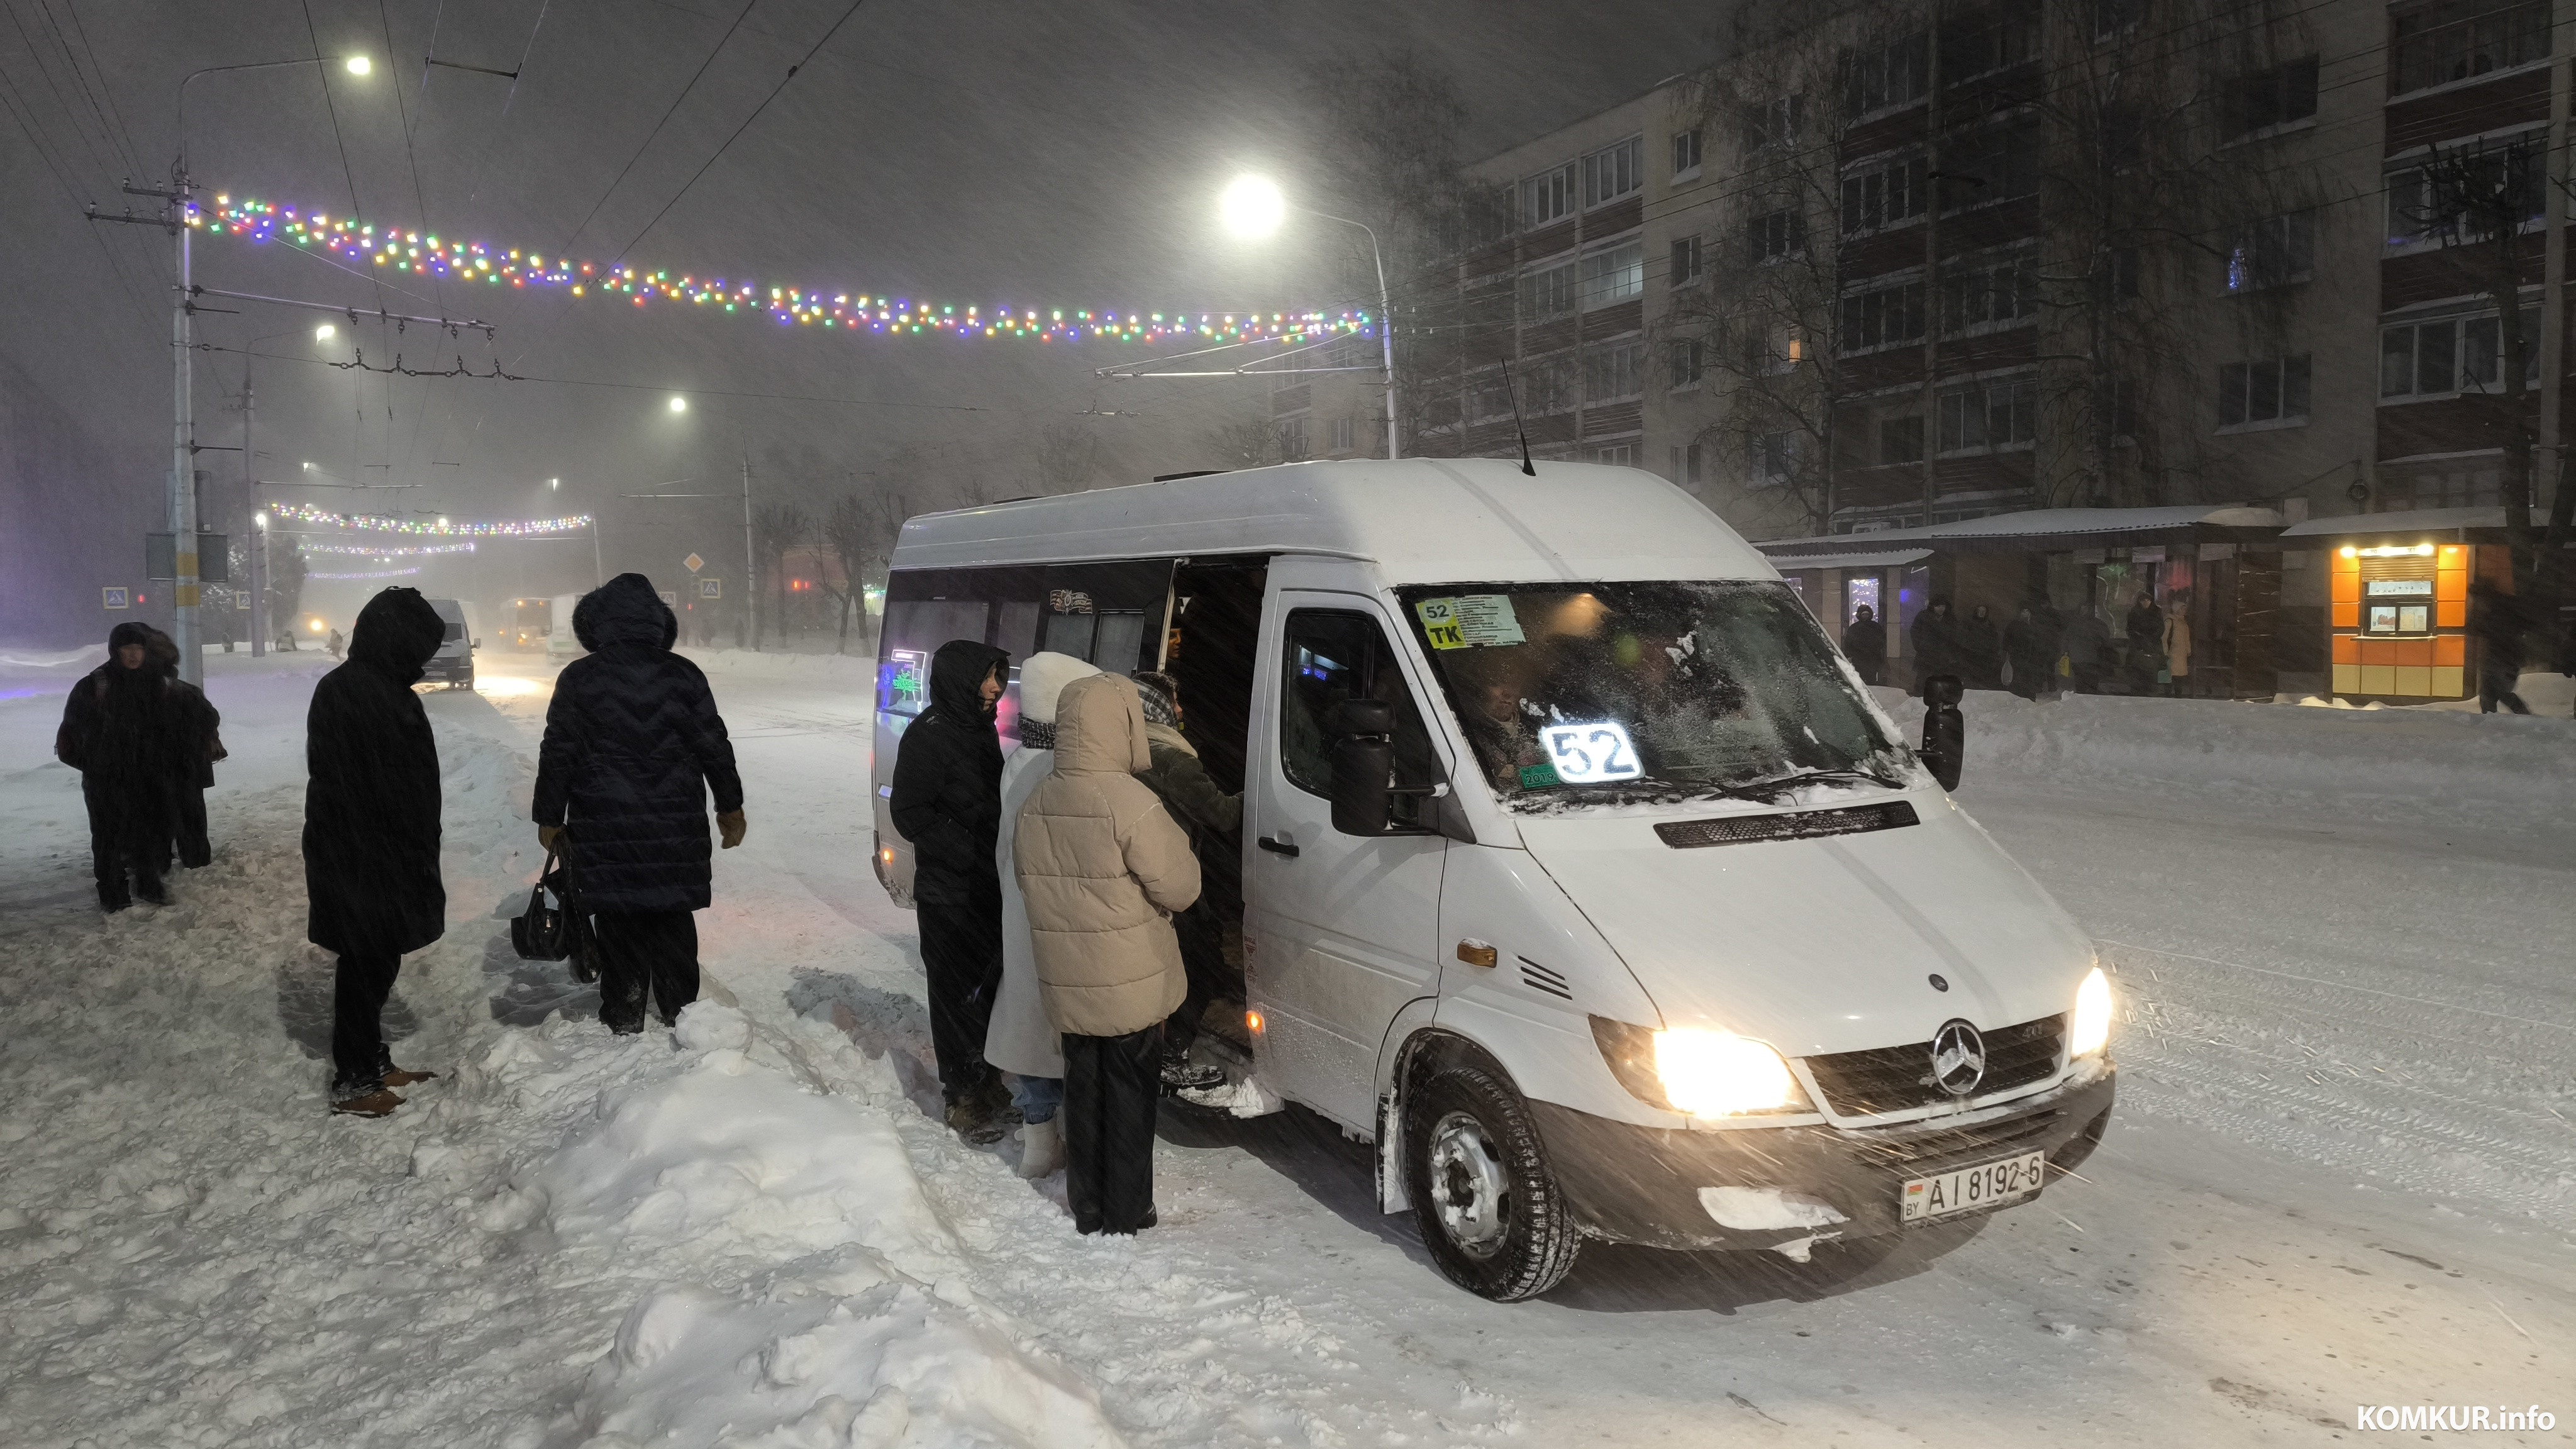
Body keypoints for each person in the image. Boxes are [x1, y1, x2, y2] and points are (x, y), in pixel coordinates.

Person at [1014, 672, 1201, 1235]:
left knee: (1086, 1088)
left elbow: (1029, 881)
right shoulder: (1130, 801)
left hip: (1067, 978)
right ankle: (1127, 1210)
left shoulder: (1039, 797)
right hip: (1127, 979)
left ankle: (1088, 1205)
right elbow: (1182, 888)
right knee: (1128, 1096)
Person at [534, 574, 747, 1035]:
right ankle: (681, 1011)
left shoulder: (580, 679)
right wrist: (730, 806)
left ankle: (625, 1009)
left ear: (597, 625)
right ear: (658, 623)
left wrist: (549, 815)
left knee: (620, 917)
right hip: (674, 824)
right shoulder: (683, 675)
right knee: (672, 916)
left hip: (605, 820)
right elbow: (714, 744)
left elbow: (559, 751)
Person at [304, 588, 448, 1116]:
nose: (425, 658)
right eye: (421, 646)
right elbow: (361, 783)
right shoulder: (355, 691)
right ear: (397, 640)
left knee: (378, 958)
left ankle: (372, 1060)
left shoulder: (379, 686)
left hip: (382, 850)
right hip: (362, 853)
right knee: (365, 963)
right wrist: (394, 840)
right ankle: (355, 1081)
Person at [890, 637, 1015, 1141]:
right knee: (954, 996)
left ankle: (986, 1082)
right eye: (987, 677)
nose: (995, 687)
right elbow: (909, 812)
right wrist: (967, 851)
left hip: (986, 886)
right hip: (949, 893)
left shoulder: (977, 729)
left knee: (987, 991)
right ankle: (962, 1097)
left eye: (998, 676)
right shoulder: (928, 735)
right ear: (959, 680)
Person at [987, 652, 1098, 1179]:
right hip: (1062, 921)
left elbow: (1004, 852)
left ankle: (1037, 1141)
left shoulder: (1017, 762)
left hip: (1021, 914)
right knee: (1071, 1034)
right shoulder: (1066, 772)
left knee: (1032, 1026)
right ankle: (1078, 1141)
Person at [1131, 670, 1239, 1091]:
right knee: (1198, 964)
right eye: (1173, 702)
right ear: (1155, 708)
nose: (1179, 710)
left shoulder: (1126, 748)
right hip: (1169, 877)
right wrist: (1265, 794)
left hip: (1137, 876)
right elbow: (1222, 814)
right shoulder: (1169, 758)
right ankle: (1171, 1054)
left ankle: (1152, 1050)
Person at [55, 622, 180, 911]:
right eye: (127, 649)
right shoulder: (94, 686)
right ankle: (113, 895)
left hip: (147, 776)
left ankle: (149, 885)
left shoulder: (155, 684)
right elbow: (69, 739)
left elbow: (170, 728)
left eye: (139, 648)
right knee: (108, 836)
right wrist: (96, 767)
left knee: (149, 831)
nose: (134, 655)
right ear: (115, 651)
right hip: (106, 781)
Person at [142, 628, 225, 869]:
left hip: (156, 768)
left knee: (157, 815)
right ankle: (196, 857)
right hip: (189, 767)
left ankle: (159, 861)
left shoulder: (144, 694)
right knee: (191, 815)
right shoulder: (186, 691)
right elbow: (210, 719)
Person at [2467, 577, 2531, 714]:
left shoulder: (2500, 611)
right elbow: (2473, 629)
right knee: (2487, 694)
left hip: (2506, 659)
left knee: (2501, 692)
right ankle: (2490, 721)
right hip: (2495, 658)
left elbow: (2493, 632)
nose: (2476, 602)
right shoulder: (2490, 611)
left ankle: (2526, 718)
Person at [2003, 604, 2054, 701]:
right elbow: (2007, 641)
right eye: (2023, 611)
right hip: (2017, 658)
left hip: (2032, 660)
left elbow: (2041, 642)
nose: (2025, 614)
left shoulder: (2035, 626)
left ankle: (2029, 700)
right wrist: (2011, 651)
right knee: (2017, 681)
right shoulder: (2014, 625)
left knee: (2030, 683)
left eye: (2027, 611)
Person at [1910, 597, 1960, 696]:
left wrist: (1951, 651)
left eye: (1943, 606)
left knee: (1940, 679)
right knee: (1923, 678)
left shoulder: (1949, 619)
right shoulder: (1923, 617)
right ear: (1933, 607)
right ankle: (1920, 698)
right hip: (1926, 654)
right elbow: (1915, 632)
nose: (1941, 609)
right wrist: (1921, 647)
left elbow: (1955, 636)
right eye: (1939, 606)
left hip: (1942, 655)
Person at [2062, 606, 2110, 694]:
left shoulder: (2074, 624)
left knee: (2080, 680)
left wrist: (2066, 651)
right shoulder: (2098, 624)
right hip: (2091, 658)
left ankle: (2082, 695)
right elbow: (2105, 638)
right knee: (2091, 681)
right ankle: (2090, 696)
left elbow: (2066, 639)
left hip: (2077, 658)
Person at [2124, 589, 2164, 694]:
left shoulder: (2156, 613)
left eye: (2148, 600)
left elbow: (2160, 630)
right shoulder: (2134, 613)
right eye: (2143, 600)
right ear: (2139, 601)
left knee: (2150, 678)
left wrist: (2149, 640)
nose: (2146, 602)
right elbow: (2130, 630)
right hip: (2138, 649)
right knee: (2137, 677)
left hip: (2152, 650)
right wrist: (2140, 639)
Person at [1958, 604, 2002, 691]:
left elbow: (1994, 641)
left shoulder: (1990, 625)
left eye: (1984, 611)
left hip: (1985, 657)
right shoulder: (1969, 624)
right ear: (1976, 612)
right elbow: (1964, 640)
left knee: (1983, 681)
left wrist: (1992, 652)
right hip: (1971, 656)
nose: (1981, 613)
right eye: (1980, 611)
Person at [1840, 604, 1884, 686]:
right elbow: (1881, 643)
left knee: (1861, 681)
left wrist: (1848, 655)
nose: (1865, 616)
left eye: (1866, 614)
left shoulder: (1854, 628)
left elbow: (1848, 643)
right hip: (1870, 658)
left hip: (1861, 659)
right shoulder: (1876, 627)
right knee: (1871, 680)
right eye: (1864, 614)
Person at [2162, 596, 2194, 697]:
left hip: (2181, 654)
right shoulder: (2170, 621)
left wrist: (2188, 651)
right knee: (2172, 675)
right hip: (2173, 654)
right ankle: (2170, 695)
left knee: (2178, 676)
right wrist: (2165, 652)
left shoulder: (2183, 622)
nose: (2184, 610)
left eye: (2185, 608)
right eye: (2182, 608)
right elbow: (2164, 638)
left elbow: (2186, 639)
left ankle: (2177, 695)